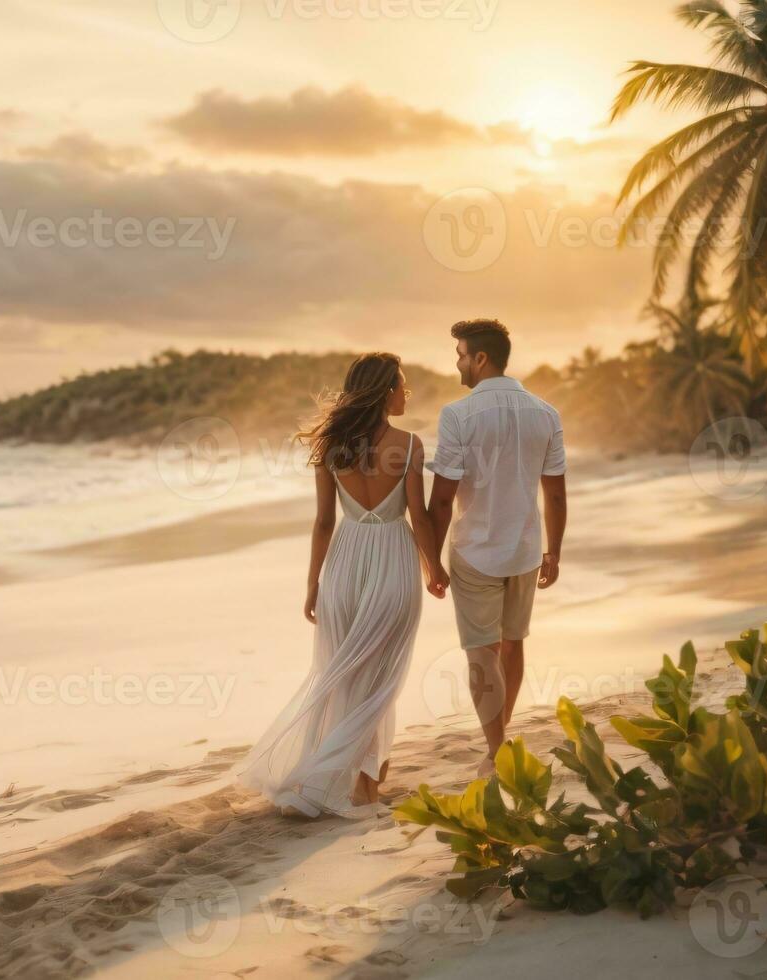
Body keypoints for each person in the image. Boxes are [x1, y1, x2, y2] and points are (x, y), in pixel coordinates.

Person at [234, 352, 439, 816]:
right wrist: (435, 568)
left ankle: (352, 777)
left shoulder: (330, 448)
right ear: (385, 391)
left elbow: (324, 522)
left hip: (343, 566)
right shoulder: (408, 446)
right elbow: (420, 518)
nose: (407, 393)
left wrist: (313, 584)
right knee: (381, 679)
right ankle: (363, 786)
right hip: (392, 561)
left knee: (342, 677)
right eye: (402, 385)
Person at [423, 318, 567, 776]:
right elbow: (556, 492)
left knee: (481, 651)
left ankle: (496, 747)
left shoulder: (457, 415)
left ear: (481, 358)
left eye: (461, 354)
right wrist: (554, 551)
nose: (458, 363)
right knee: (513, 643)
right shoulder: (545, 412)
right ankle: (498, 741)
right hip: (525, 548)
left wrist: (432, 560)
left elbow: (443, 498)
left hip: (474, 550)